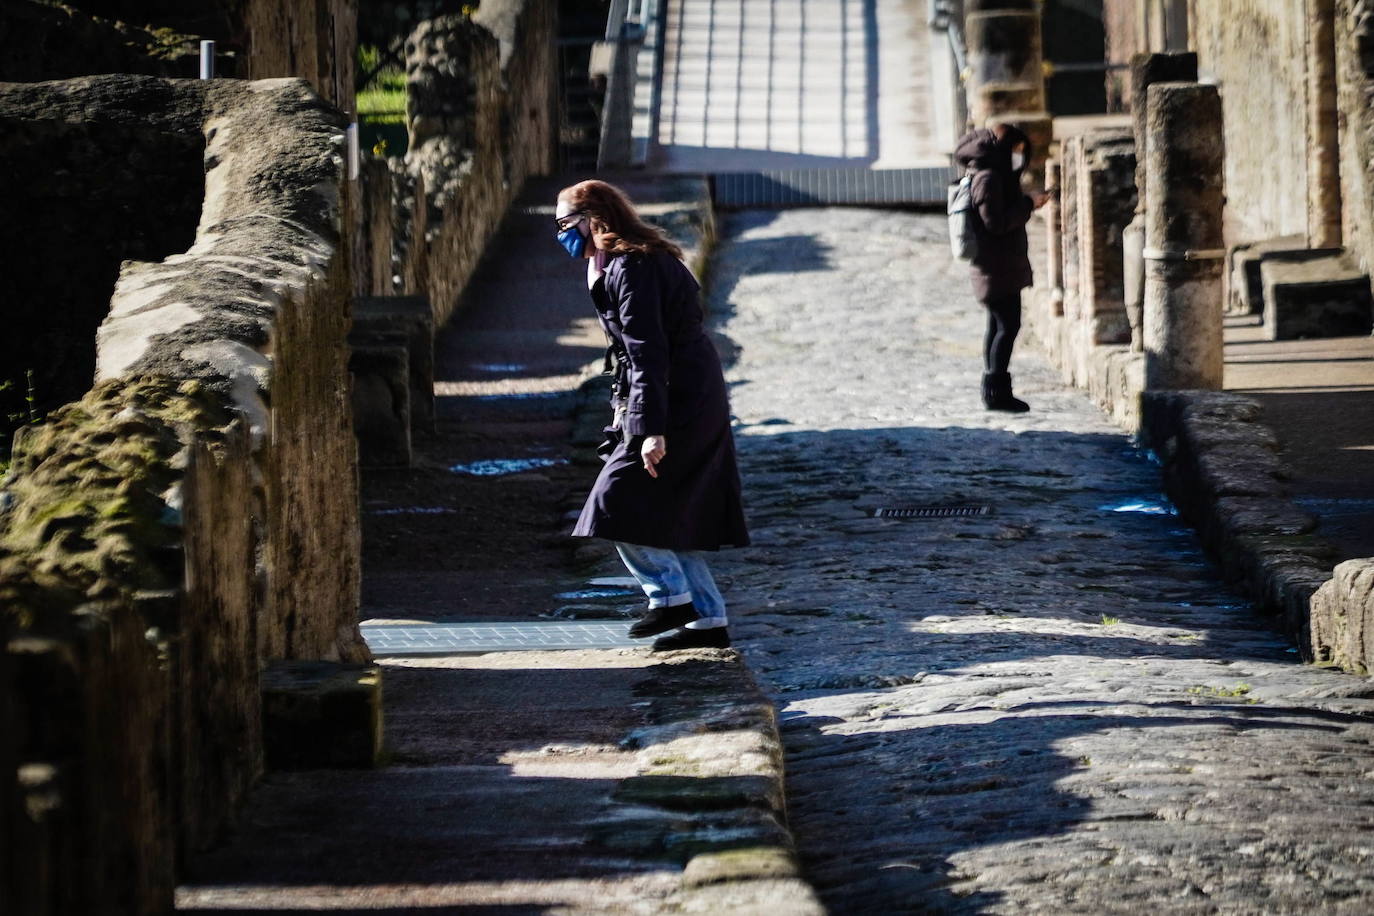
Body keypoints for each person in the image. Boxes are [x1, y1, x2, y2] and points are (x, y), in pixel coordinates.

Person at [554, 180, 749, 651]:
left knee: (614, 503)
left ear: (593, 217)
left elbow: (647, 355)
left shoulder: (632, 267)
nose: (561, 234)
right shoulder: (621, 263)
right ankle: (707, 619)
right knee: (667, 509)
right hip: (681, 393)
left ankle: (671, 598)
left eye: (564, 223)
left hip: (677, 400)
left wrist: (648, 430)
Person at [953, 122, 1050, 412]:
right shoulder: (989, 178)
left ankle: (994, 391)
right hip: (995, 265)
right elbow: (995, 223)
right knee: (1007, 326)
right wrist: (1028, 204)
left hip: (1000, 264)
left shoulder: (993, 175)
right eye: (1016, 152)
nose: (1019, 158)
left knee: (998, 326)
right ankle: (997, 392)